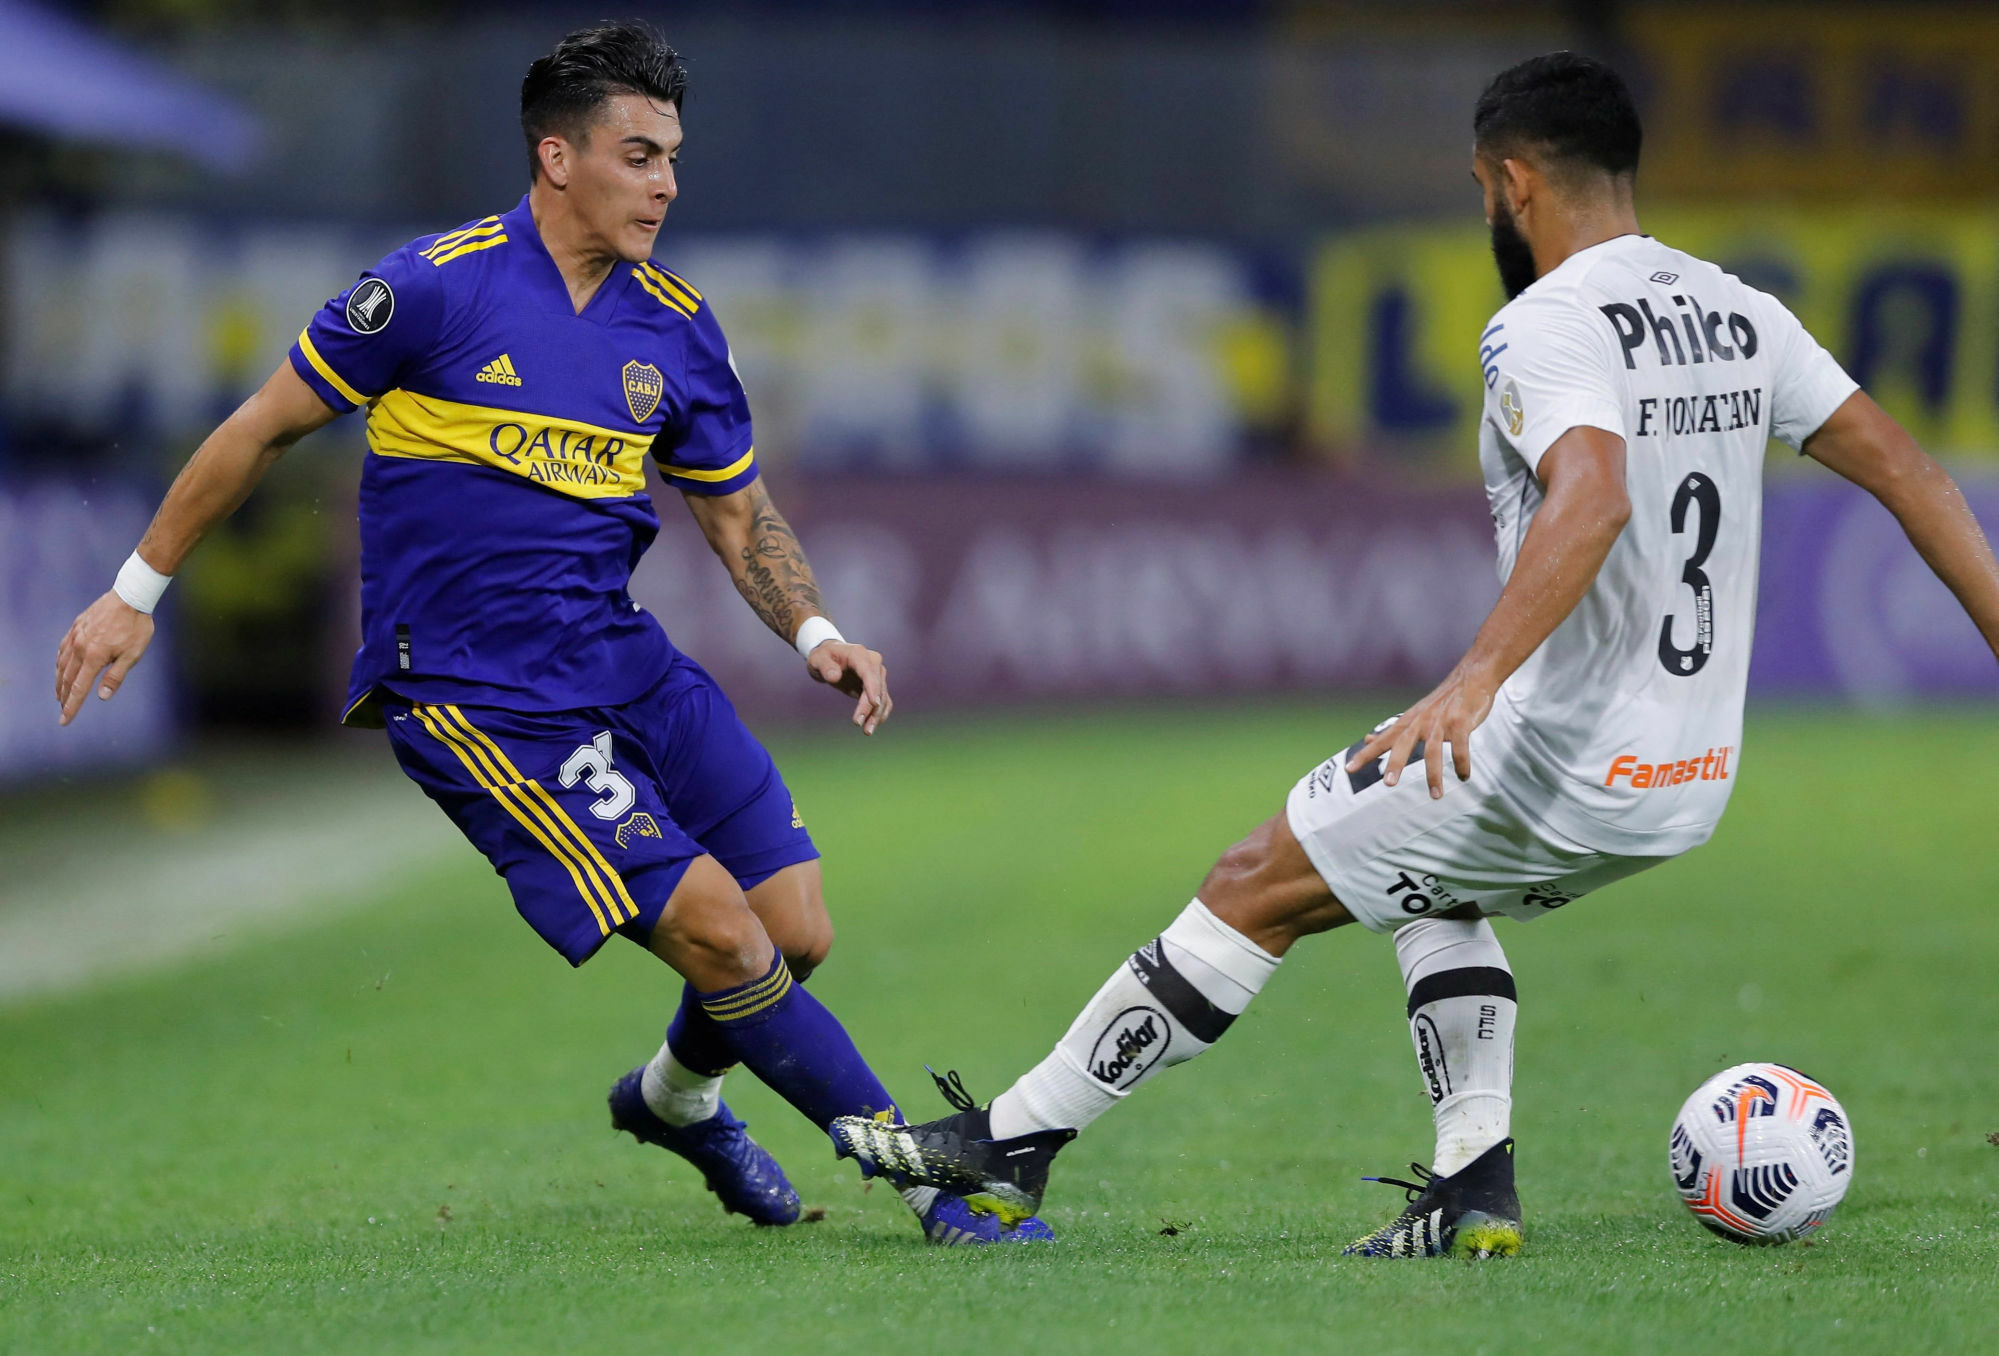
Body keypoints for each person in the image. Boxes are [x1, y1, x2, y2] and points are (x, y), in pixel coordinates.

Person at [830, 51, 1999, 1258]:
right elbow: (1910, 470)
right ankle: (1470, 1184)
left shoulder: (1542, 325)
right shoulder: (1738, 311)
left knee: (1252, 879)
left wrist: (1474, 677)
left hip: (1561, 755)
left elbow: (1591, 496)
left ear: (1511, 182)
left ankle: (1011, 1144)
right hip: (1688, 783)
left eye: (1484, 191)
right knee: (1425, 883)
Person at [54, 21, 1046, 1248]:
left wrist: (815, 631)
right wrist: (133, 592)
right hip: (477, 693)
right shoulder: (433, 288)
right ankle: (933, 1186)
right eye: (639, 156)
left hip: (619, 660)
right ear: (556, 156)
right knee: (721, 931)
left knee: (793, 931)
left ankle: (673, 1102)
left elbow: (735, 511)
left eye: (672, 158)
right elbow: (258, 427)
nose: (666, 184)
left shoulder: (676, 327)